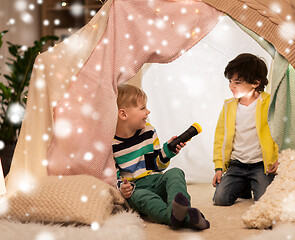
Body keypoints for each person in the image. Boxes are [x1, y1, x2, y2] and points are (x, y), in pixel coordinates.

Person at [113, 84, 210, 229]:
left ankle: (179, 210)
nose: (148, 111)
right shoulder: (111, 146)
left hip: (155, 180)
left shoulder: (149, 131)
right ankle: (184, 217)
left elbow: (157, 165)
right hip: (136, 189)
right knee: (141, 197)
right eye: (142, 108)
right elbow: (113, 175)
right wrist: (123, 188)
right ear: (123, 114)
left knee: (175, 172)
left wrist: (168, 151)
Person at [212, 53, 279, 205]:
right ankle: (243, 184)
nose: (231, 86)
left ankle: (253, 183)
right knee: (220, 199)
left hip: (261, 166)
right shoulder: (229, 106)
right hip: (237, 164)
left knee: (264, 201)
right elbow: (220, 138)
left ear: (255, 83)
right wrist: (219, 167)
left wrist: (277, 158)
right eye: (230, 81)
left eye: (237, 82)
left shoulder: (268, 103)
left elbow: (278, 132)